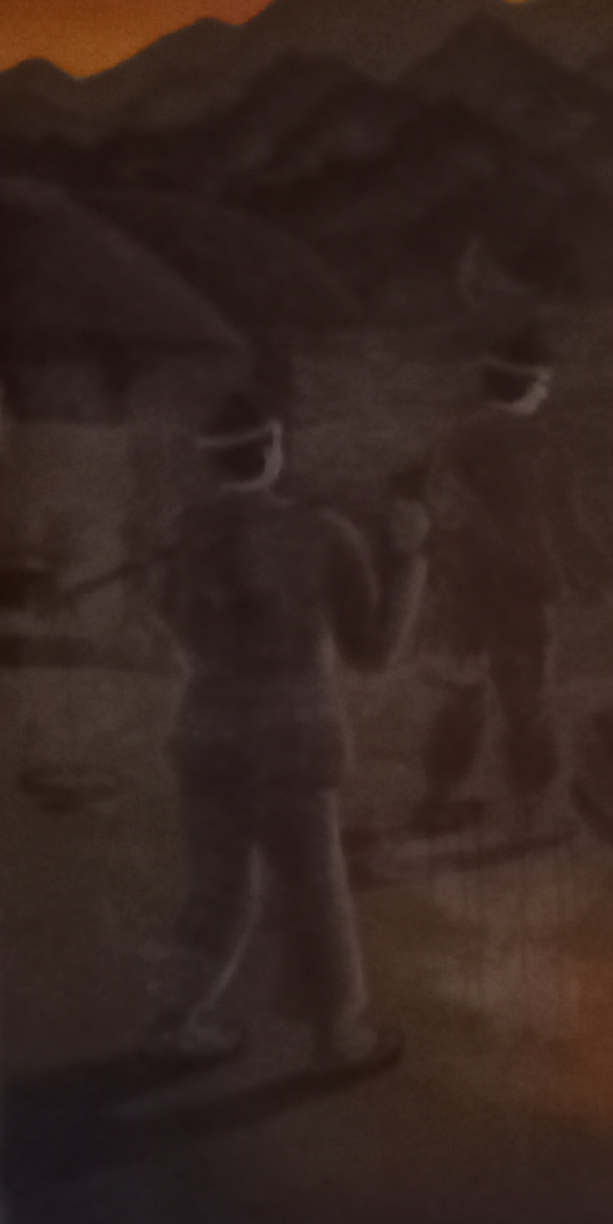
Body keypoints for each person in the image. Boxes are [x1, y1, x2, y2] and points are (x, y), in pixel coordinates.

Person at [140, 393, 425, 1073]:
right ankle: (339, 1038)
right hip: (292, 738)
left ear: (212, 462)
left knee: (217, 889)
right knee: (314, 893)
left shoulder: (186, 531)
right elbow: (375, 651)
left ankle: (175, 1021)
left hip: (207, 732)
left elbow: (176, 623)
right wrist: (410, 558)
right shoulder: (324, 533)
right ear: (272, 450)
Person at [409, 326, 564, 834]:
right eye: (544, 383)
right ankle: (531, 813)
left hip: (460, 593)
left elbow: (442, 508)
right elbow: (555, 520)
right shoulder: (537, 442)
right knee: (526, 704)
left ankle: (437, 801)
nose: (547, 394)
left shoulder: (456, 437)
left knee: (461, 700)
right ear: (527, 385)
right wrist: (554, 570)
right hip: (517, 595)